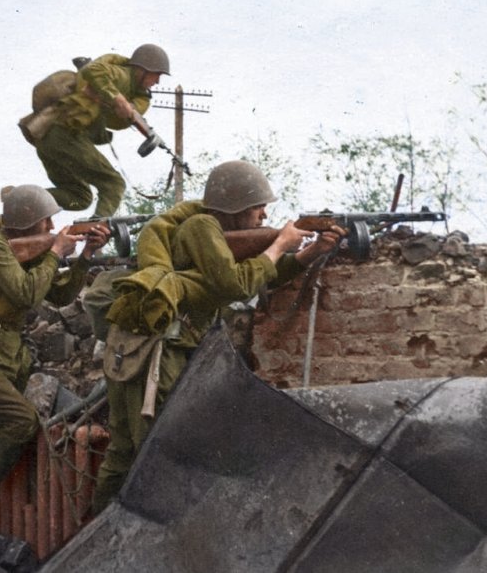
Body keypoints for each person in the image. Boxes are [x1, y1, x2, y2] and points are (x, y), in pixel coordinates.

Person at [90, 160, 345, 512]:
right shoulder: (201, 226)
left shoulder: (210, 230)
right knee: (153, 448)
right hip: (157, 354)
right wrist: (279, 245)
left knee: (128, 451)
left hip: (154, 349)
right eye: (258, 207)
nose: (263, 214)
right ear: (236, 207)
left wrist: (309, 253)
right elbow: (235, 284)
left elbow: (257, 276)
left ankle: (99, 532)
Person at [0, 184, 109, 544]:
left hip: (11, 356)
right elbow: (25, 293)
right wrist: (55, 252)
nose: (52, 226)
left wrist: (84, 256)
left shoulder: (28, 251)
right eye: (46, 220)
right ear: (27, 222)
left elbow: (61, 293)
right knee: (20, 423)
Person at [34, 44, 170, 217]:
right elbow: (94, 69)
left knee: (80, 197)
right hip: (65, 133)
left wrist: (124, 108)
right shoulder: (124, 76)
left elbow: (122, 115)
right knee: (114, 184)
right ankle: (97, 232)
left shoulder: (137, 93)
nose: (157, 81)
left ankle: (19, 199)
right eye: (156, 74)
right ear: (142, 69)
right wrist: (118, 99)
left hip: (45, 134)